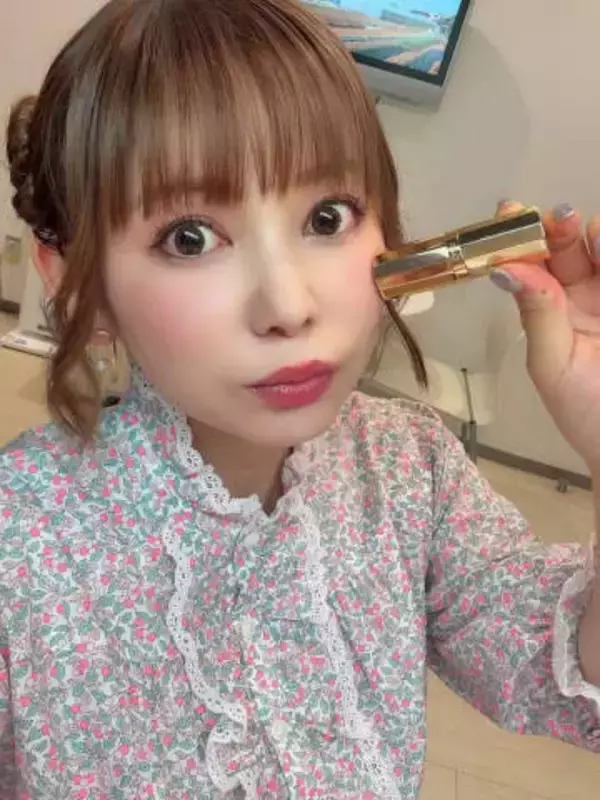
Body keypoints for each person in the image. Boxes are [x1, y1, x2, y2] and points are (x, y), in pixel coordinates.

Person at [1, 0, 599, 797]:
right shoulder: (20, 539)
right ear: (79, 284)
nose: (288, 304)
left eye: (327, 216)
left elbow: (553, 669)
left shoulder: (412, 467)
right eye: (189, 238)